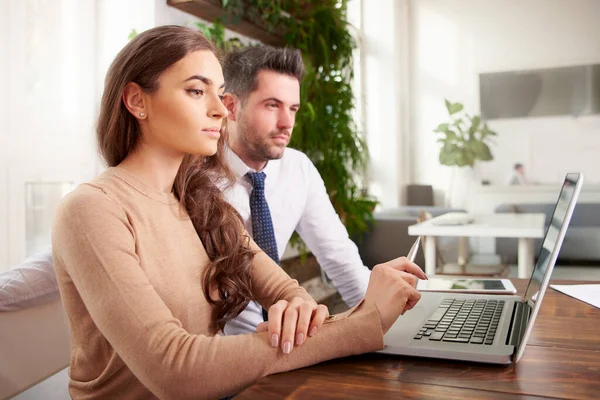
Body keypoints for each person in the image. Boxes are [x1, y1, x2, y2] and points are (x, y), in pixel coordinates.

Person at [51, 25, 424, 399]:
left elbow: (287, 292)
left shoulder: (202, 202)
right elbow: (175, 370)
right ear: (137, 101)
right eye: (197, 91)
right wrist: (366, 321)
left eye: (219, 92)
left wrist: (304, 313)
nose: (218, 110)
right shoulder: (91, 210)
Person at [220, 46, 376, 335]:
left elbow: (340, 257)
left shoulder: (297, 168)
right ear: (230, 106)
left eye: (293, 108)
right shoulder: (194, 175)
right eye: (272, 105)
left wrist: (384, 319)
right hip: (218, 351)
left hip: (285, 343)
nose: (287, 123)